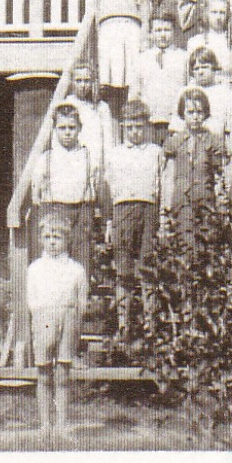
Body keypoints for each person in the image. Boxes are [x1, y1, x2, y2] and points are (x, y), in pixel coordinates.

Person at [103, 99, 165, 347]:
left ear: (147, 126)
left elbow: (162, 187)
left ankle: (150, 326)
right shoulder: (115, 154)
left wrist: (161, 220)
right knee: (124, 271)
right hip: (122, 211)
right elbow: (107, 188)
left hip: (148, 210)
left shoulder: (155, 152)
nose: (135, 132)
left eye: (139, 126)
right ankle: (124, 324)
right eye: (130, 127)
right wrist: (109, 221)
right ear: (123, 128)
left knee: (148, 269)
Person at [28, 210, 90, 437]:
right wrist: (42, 317)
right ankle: (45, 424)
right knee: (43, 373)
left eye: (57, 237)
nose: (52, 242)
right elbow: (31, 300)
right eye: (47, 237)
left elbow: (82, 299)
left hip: (68, 318)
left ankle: (61, 424)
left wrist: (75, 322)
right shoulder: (35, 268)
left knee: (62, 374)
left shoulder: (76, 269)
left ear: (67, 239)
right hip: (44, 319)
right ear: (41, 239)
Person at [29, 104, 100, 269]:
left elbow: (94, 184)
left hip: (81, 213)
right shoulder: (47, 158)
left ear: (79, 128)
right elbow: (37, 192)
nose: (67, 132)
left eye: (72, 127)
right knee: (54, 260)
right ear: (55, 129)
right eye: (62, 128)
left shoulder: (88, 156)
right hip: (55, 211)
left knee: (81, 261)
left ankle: (81, 293)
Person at [91, 0, 151, 115]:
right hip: (109, 31)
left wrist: (144, 36)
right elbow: (96, 12)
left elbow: (145, 11)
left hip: (131, 29)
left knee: (131, 74)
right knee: (111, 75)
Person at [162, 88, 225, 244]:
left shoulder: (213, 140)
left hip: (206, 200)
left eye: (199, 112)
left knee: (207, 242)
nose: (195, 117)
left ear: (205, 113)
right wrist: (165, 209)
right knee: (186, 242)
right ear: (183, 114)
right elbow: (168, 177)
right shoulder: (175, 141)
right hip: (182, 201)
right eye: (191, 112)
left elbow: (218, 175)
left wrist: (220, 202)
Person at [185, 47, 232, 175]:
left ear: (214, 68)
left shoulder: (225, 93)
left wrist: (228, 147)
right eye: (196, 69)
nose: (200, 72)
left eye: (204, 67)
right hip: (193, 145)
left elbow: (229, 126)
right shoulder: (188, 92)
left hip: (215, 145)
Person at [134, 14, 189, 136]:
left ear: (174, 31)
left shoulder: (183, 57)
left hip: (176, 122)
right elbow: (135, 93)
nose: (163, 35)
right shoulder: (142, 58)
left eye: (167, 30)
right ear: (151, 33)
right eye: (158, 30)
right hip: (148, 122)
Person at [187, 0, 232, 89]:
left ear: (227, 15)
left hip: (227, 93)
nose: (218, 17)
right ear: (206, 13)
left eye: (222, 12)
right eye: (214, 12)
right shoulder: (195, 42)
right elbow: (191, 78)